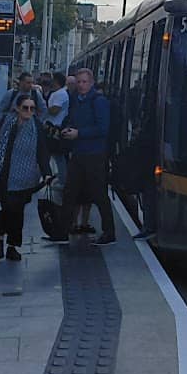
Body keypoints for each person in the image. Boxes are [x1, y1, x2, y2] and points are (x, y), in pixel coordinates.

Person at [0, 93, 51, 261]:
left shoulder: (36, 126)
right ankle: (0, 237)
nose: (29, 111)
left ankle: (11, 246)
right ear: (17, 108)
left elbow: (42, 151)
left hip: (26, 177)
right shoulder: (8, 124)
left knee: (18, 211)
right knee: (8, 209)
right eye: (25, 108)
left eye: (32, 108)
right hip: (4, 175)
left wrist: (46, 172)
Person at [55, 68, 115, 245]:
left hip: (94, 154)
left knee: (99, 193)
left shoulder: (99, 101)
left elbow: (103, 129)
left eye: (84, 82)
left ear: (91, 83)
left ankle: (109, 232)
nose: (81, 85)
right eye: (78, 82)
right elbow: (72, 119)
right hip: (79, 152)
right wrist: (67, 129)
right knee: (70, 192)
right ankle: (62, 231)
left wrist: (79, 133)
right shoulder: (76, 100)